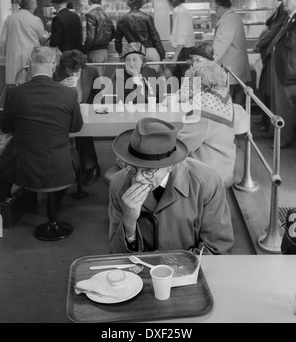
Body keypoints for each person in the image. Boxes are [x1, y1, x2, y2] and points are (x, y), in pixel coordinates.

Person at [108, 117, 234, 254]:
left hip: (191, 272)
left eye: (148, 171)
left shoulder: (207, 182)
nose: (138, 178)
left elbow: (217, 249)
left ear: (171, 165)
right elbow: (117, 256)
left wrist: (168, 268)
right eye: (132, 167)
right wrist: (128, 222)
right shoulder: (118, 184)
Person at [0, 46, 83, 209]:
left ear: (29, 64)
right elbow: (76, 127)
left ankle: (6, 209)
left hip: (24, 166)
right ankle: (54, 206)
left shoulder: (14, 93)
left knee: (2, 164)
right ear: (53, 65)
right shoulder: (69, 94)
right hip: (61, 166)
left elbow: (5, 126)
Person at [178, 61, 236, 188]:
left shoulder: (202, 111)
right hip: (224, 166)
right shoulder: (223, 96)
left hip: (210, 175)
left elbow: (183, 146)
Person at [253, 0, 295, 132]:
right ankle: (268, 125)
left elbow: (275, 32)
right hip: (273, 58)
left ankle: (274, 130)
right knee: (269, 94)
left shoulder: (287, 14)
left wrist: (261, 44)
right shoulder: (282, 10)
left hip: (281, 64)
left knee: (276, 97)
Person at [53, 49, 101, 185]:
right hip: (64, 111)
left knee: (84, 136)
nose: (73, 74)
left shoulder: (91, 72)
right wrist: (59, 85)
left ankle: (90, 167)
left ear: (82, 67)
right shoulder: (58, 72)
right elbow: (51, 93)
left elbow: (100, 94)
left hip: (86, 111)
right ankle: (73, 168)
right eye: (70, 71)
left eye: (77, 71)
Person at [267, 0, 296, 148]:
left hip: (289, 70)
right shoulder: (289, 18)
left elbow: (291, 43)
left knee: (286, 107)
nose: (284, 0)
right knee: (279, 106)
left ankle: (284, 139)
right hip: (282, 69)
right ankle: (279, 136)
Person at [0, 0, 47, 85]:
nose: (36, 5)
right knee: (28, 87)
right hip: (30, 58)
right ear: (32, 5)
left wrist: (6, 55)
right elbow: (42, 39)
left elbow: (3, 41)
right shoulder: (35, 20)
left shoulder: (10, 18)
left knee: (14, 87)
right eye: (36, 3)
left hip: (13, 59)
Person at [212, 0, 251, 105]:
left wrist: (207, 62)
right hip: (235, 67)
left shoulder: (229, 20)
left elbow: (220, 44)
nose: (215, 13)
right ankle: (236, 121)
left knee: (227, 102)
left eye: (215, 9)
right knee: (237, 101)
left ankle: (230, 121)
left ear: (219, 8)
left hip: (232, 68)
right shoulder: (234, 17)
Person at [115, 0, 165, 72]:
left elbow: (117, 40)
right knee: (152, 80)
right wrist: (162, 56)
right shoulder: (147, 17)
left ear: (128, 2)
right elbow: (155, 38)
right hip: (150, 51)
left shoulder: (122, 20)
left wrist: (120, 53)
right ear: (142, 2)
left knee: (136, 82)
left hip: (134, 52)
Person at [82, 0, 115, 76]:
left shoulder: (91, 14)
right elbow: (113, 33)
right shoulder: (106, 13)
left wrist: (83, 51)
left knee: (96, 82)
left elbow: (90, 37)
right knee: (101, 79)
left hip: (94, 52)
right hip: (104, 51)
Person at [166, 0, 195, 82]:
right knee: (180, 80)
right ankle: (181, 96)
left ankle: (189, 97)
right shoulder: (179, 11)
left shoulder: (182, 12)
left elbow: (181, 38)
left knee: (187, 81)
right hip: (183, 51)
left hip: (184, 51)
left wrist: (175, 57)